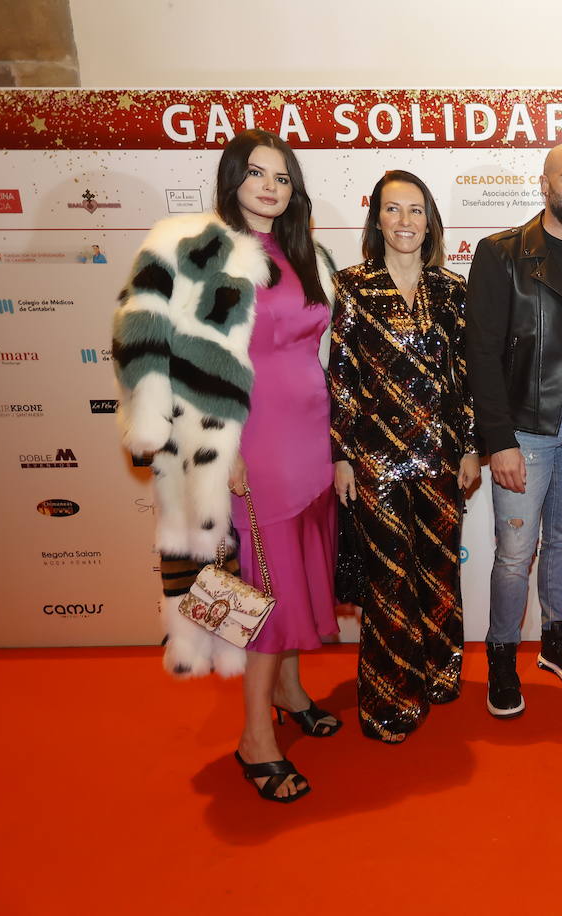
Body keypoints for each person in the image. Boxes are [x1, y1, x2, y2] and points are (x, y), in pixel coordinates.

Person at [113, 128, 340, 803]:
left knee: (300, 569)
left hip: (310, 436)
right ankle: (254, 739)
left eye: (282, 176)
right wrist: (222, 446)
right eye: (257, 173)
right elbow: (172, 355)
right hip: (251, 440)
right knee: (264, 592)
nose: (271, 187)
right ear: (232, 178)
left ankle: (292, 692)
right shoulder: (201, 252)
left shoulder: (305, 253)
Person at [330, 170, 479, 743]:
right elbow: (340, 376)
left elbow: (462, 378)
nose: (405, 222)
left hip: (440, 457)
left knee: (439, 573)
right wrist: (340, 456)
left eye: (415, 210)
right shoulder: (353, 287)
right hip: (375, 460)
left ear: (430, 220)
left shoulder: (452, 290)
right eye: (393, 210)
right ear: (377, 221)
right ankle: (390, 701)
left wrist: (469, 447)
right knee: (390, 581)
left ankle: (439, 673)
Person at [466, 142, 562, 718]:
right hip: (524, 429)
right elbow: (481, 353)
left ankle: (555, 638)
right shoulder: (502, 254)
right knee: (513, 553)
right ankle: (502, 652)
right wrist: (497, 440)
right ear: (545, 186)